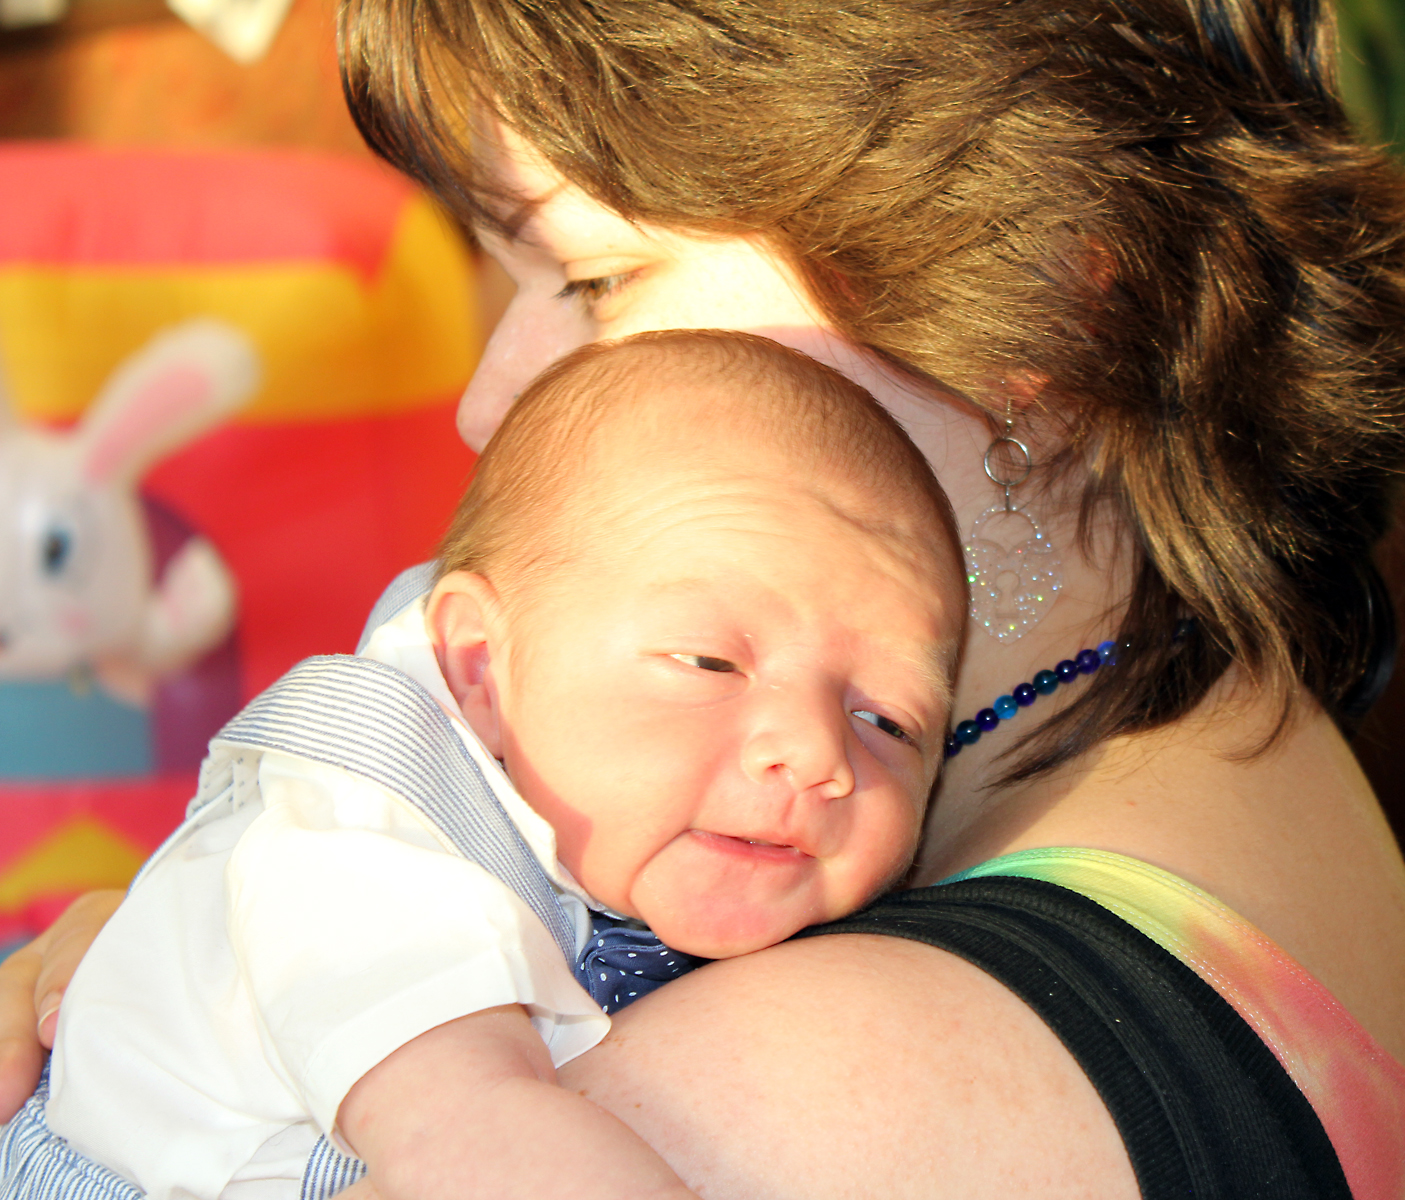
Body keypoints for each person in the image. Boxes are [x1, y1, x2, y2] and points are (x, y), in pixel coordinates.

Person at [0, 2, 1405, 1197]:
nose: (486, 400)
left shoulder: (741, 1107)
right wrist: (205, 997)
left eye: (595, 281)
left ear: (1036, 282)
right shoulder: (1216, 717)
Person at [0, 331, 963, 1200]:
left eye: (889, 720)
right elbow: (474, 1147)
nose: (817, 752)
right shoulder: (364, 856)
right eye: (711, 662)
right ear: (478, 670)